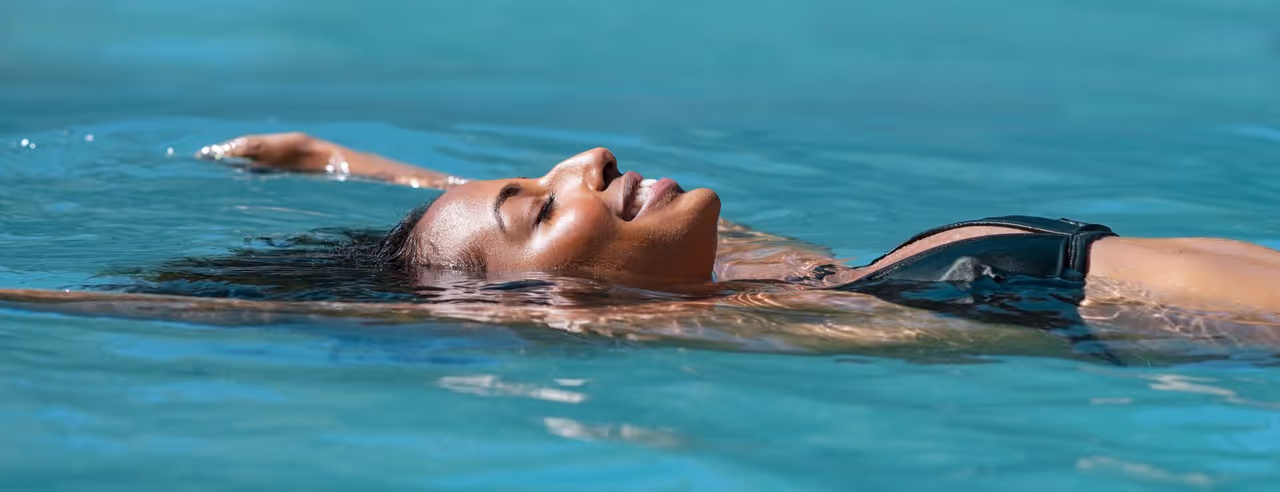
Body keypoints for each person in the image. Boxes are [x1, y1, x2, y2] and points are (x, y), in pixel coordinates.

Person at [3, 132, 1279, 362]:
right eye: (538, 204)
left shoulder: (771, 267)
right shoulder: (730, 315)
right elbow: (262, 319)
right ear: (557, 300)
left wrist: (345, 162)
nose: (587, 163)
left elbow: (485, 207)